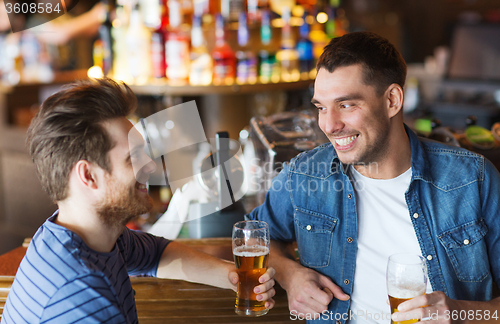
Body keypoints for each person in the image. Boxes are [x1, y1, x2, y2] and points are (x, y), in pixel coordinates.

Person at [247, 31, 500, 323]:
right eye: (321, 107)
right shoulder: (304, 174)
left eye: (346, 105)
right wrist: (290, 275)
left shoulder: (474, 178)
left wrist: (461, 313)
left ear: (392, 100)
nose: (329, 125)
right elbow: (255, 237)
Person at [1, 78, 276, 323]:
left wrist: (234, 278)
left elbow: (156, 254)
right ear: (88, 175)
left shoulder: (88, 236)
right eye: (133, 158)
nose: (151, 167)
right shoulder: (80, 295)